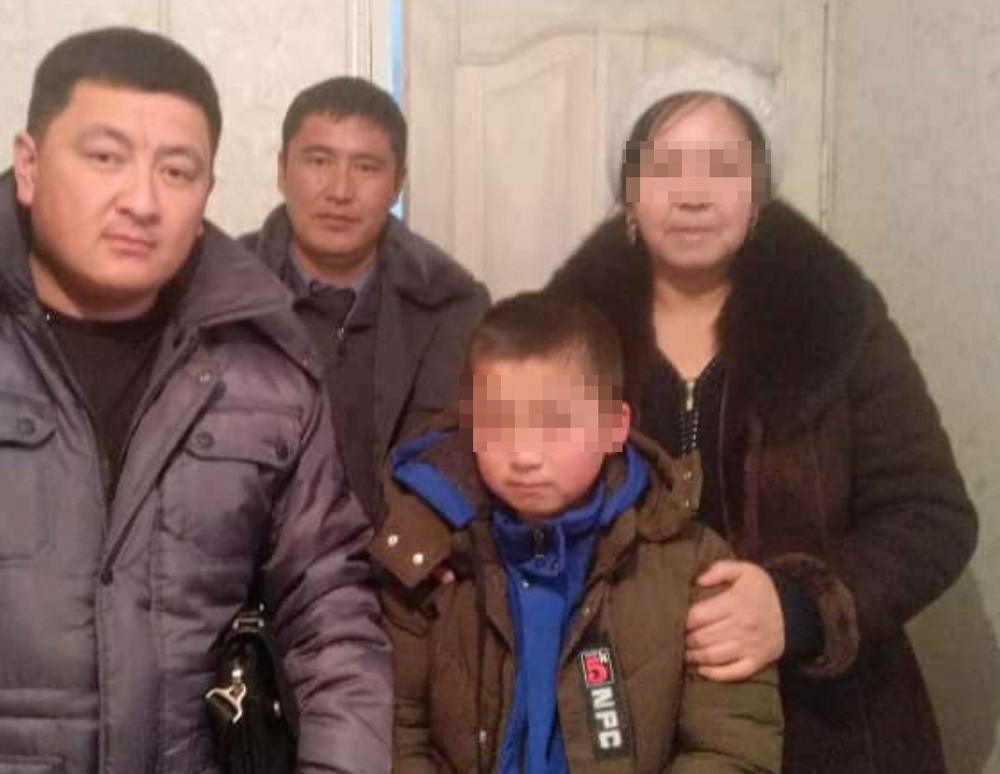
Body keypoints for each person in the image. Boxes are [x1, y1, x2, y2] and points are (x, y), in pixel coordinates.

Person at [548, 56, 978, 774]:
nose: (692, 195)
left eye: (722, 166)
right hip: (622, 718)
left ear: (760, 194)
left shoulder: (840, 324)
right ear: (628, 194)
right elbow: (487, 462)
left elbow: (932, 515)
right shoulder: (564, 334)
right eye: (665, 167)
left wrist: (797, 607)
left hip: (830, 729)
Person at [2, 27, 391, 773]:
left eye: (177, 171)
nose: (141, 201)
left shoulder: (268, 369)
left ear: (208, 189)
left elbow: (333, 617)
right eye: (106, 158)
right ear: (30, 165)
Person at [370, 291, 783, 773]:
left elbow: (731, 748)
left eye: (554, 425)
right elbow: (398, 729)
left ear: (614, 427)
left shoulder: (692, 564)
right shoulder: (425, 550)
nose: (524, 456)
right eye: (496, 423)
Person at [241, 76, 490, 523]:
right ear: (282, 170)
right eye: (319, 161)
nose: (339, 191)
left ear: (397, 184)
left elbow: (464, 459)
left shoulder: (453, 304)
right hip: (251, 557)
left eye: (366, 168)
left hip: (400, 559)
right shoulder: (220, 293)